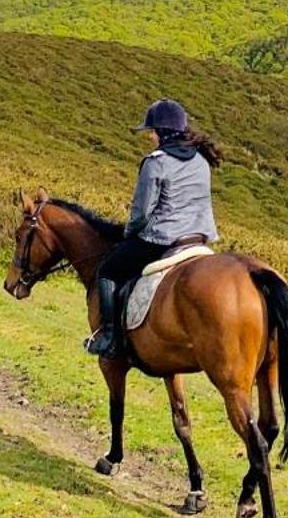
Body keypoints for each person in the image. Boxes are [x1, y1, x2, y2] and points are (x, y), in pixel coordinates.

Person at [85, 98, 222, 357]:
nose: (150, 137)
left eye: (152, 132)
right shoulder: (202, 160)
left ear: (162, 132)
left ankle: (110, 337)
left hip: (163, 239)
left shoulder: (156, 162)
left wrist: (128, 235)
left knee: (108, 270)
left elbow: (141, 213)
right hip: (199, 239)